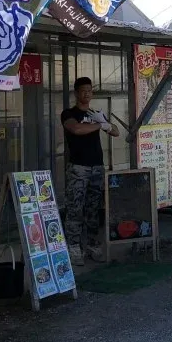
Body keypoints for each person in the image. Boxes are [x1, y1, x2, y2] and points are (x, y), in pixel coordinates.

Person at [60, 76, 120, 265]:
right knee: (75, 207)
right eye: (83, 91)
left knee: (94, 208)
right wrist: (99, 125)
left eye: (90, 90)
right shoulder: (69, 113)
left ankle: (92, 245)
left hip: (97, 167)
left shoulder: (95, 113)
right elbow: (76, 129)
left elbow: (116, 132)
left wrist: (105, 123)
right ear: (76, 93)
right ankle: (73, 247)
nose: (87, 94)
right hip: (78, 167)